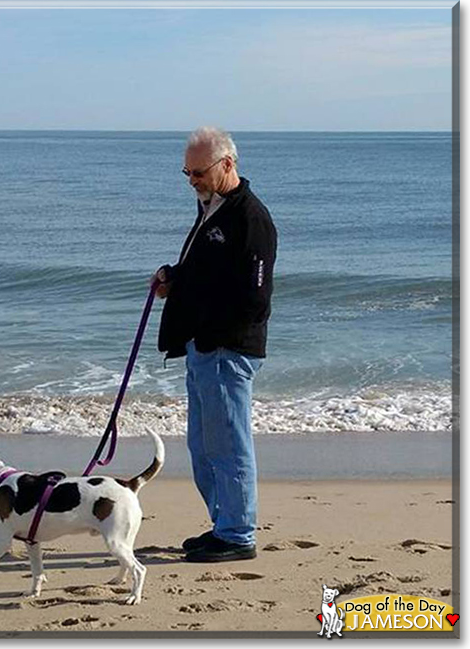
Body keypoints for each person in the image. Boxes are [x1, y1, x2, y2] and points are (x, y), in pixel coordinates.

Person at [152, 126, 277, 563]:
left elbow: (255, 297)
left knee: (229, 445)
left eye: (198, 172)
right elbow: (205, 270)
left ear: (227, 164)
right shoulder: (211, 207)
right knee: (203, 446)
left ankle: (238, 534)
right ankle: (223, 525)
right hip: (201, 348)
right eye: (186, 173)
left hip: (227, 349)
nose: (192, 181)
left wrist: (211, 329)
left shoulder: (250, 217)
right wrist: (174, 277)